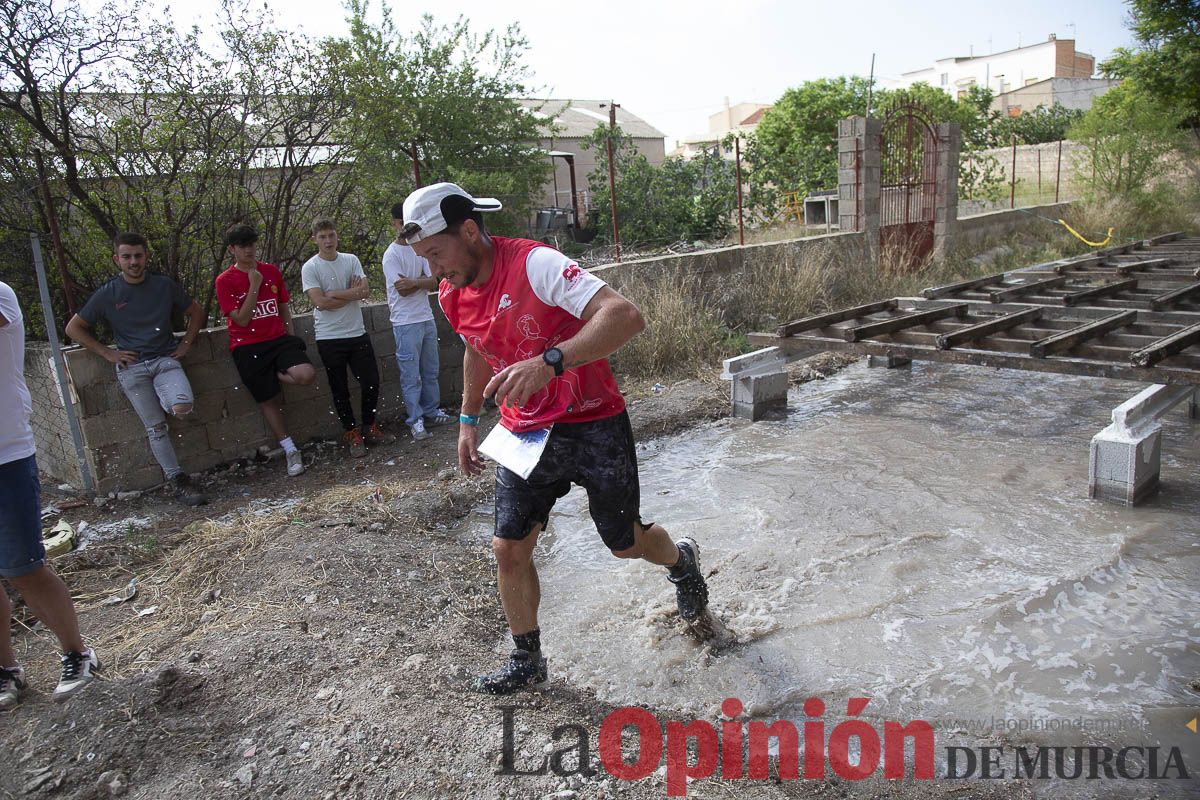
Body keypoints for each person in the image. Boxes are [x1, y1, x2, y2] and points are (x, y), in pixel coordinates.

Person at [400, 182, 710, 694]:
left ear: (470, 231)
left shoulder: (535, 264)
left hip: (594, 420)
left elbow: (625, 316)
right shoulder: (452, 292)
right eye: (424, 258)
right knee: (508, 548)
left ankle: (681, 561)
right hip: (526, 430)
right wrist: (467, 418)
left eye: (436, 253)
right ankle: (527, 658)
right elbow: (477, 348)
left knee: (625, 542)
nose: (434, 269)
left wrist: (551, 362)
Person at [1, 281, 101, 709]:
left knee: (24, 568)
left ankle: (78, 654)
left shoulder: (2, 293)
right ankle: (7, 670)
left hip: (6, 455)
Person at [64, 232, 208, 506]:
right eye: (127, 257)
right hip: (132, 368)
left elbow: (196, 312)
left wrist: (187, 342)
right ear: (117, 259)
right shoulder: (109, 293)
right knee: (156, 428)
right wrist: (107, 353)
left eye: (138, 256)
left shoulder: (163, 285)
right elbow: (74, 328)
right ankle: (177, 479)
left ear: (146, 257)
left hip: (165, 360)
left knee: (182, 406)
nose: (133, 262)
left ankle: (169, 399)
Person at [215, 224, 316, 477]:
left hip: (278, 340)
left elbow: (283, 307)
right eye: (242, 246)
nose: (249, 250)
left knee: (305, 374)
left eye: (251, 244)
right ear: (232, 249)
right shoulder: (225, 281)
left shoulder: (270, 271)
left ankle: (272, 375)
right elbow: (241, 319)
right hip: (247, 345)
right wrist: (253, 285)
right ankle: (289, 448)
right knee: (268, 399)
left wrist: (291, 338)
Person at [301, 217, 393, 457]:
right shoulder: (311, 267)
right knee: (339, 387)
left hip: (356, 332)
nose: (328, 240)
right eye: (322, 237)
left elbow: (364, 291)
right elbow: (319, 302)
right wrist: (349, 294)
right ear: (315, 240)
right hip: (329, 337)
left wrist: (335, 293)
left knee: (371, 381)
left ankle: (369, 425)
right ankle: (351, 432)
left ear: (336, 236)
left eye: (331, 235)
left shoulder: (350, 260)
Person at [382, 202, 453, 441]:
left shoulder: (418, 249)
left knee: (430, 370)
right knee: (411, 375)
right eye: (400, 222)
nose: (404, 227)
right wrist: (420, 281)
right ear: (394, 224)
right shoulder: (391, 255)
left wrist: (415, 282)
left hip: (425, 317)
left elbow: (436, 281)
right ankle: (415, 419)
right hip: (405, 322)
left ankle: (432, 411)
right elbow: (402, 290)